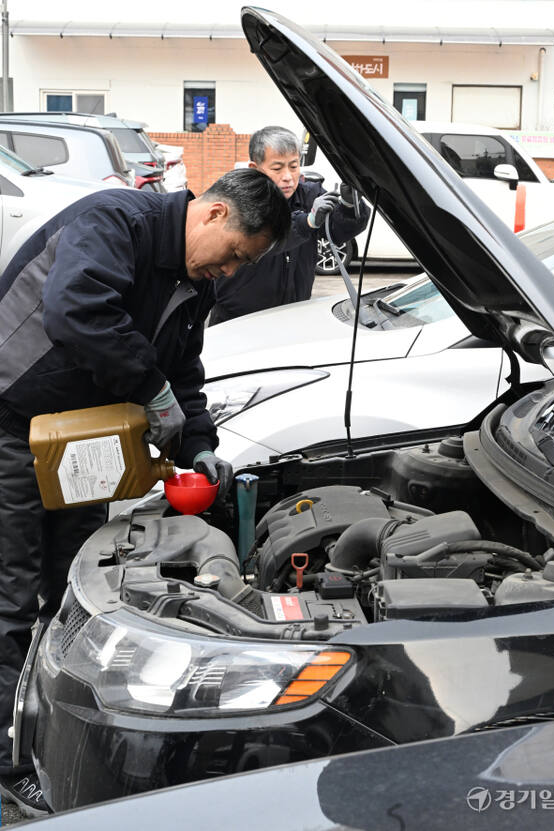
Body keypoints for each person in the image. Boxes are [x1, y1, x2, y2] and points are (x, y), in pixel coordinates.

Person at [0, 168, 290, 816]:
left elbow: (180, 371)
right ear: (213, 215)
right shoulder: (115, 223)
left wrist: (199, 445)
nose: (232, 272)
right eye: (236, 254)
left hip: (82, 440)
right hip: (13, 426)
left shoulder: (192, 280)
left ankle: (48, 734)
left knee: (69, 586)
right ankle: (8, 760)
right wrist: (148, 386)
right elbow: (75, 310)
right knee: (11, 595)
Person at [209, 125, 370, 325]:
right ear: (255, 168)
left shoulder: (310, 194)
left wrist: (349, 205)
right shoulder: (237, 199)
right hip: (238, 319)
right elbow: (265, 236)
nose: (288, 176)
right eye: (277, 168)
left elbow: (338, 232)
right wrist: (308, 221)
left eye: (293, 166)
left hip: (294, 315)